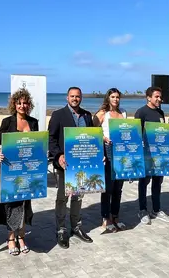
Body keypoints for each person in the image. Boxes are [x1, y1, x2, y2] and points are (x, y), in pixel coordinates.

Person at [0, 88, 39, 255]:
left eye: (25, 103)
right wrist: (0, 151)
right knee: (11, 205)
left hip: (27, 170)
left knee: (25, 204)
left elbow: (36, 144)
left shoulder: (33, 122)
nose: (22, 106)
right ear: (14, 104)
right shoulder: (7, 121)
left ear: (29, 104)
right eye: (19, 103)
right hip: (9, 169)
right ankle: (11, 238)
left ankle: (22, 236)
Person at [48, 86, 94, 249]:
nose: (75, 99)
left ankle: (76, 227)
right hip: (65, 165)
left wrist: (98, 154)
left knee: (78, 197)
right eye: (72, 96)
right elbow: (51, 139)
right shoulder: (58, 115)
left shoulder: (87, 115)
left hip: (82, 164)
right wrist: (58, 155)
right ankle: (61, 230)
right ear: (67, 98)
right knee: (63, 198)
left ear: (81, 98)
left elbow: (92, 138)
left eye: (78, 96)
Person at [134, 86, 169, 225]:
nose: (159, 99)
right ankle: (143, 210)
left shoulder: (160, 112)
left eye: (160, 97)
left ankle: (156, 210)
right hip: (146, 154)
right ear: (148, 97)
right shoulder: (141, 112)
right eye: (156, 96)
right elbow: (136, 133)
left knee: (157, 182)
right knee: (144, 182)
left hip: (159, 154)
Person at [92, 88, 127, 233]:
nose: (115, 99)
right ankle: (105, 218)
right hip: (107, 150)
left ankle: (115, 216)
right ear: (108, 98)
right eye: (113, 97)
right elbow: (92, 132)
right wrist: (103, 138)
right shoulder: (102, 113)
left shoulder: (123, 112)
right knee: (108, 187)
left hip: (121, 152)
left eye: (117, 97)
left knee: (118, 187)